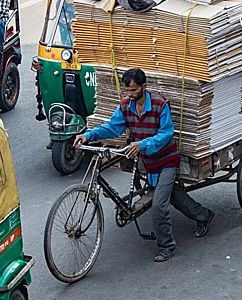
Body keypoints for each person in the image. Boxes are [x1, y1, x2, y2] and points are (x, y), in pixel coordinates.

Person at [75, 68, 213, 262]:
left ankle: (167, 246)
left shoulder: (159, 104)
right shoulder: (125, 107)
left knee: (158, 205)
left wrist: (142, 144)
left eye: (133, 91)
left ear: (143, 87)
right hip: (148, 162)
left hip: (167, 160)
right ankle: (204, 215)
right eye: (127, 91)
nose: (130, 95)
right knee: (172, 195)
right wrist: (87, 135)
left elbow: (166, 134)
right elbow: (111, 127)